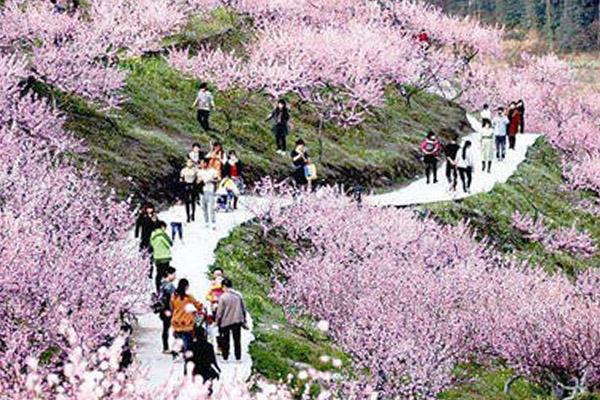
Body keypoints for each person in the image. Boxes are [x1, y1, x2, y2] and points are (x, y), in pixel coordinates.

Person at [171, 279, 205, 358]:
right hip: (187, 321)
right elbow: (198, 306)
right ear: (186, 286)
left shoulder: (174, 296)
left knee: (178, 338)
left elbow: (172, 306)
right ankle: (186, 354)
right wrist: (201, 307)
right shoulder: (188, 297)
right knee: (187, 339)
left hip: (176, 320)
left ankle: (176, 354)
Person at [216, 278, 247, 362]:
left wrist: (217, 321)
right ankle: (238, 358)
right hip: (237, 321)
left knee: (225, 340)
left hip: (225, 321)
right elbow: (243, 309)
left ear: (224, 286)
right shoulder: (238, 296)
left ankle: (225, 358)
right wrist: (244, 320)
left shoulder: (223, 297)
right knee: (237, 340)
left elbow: (219, 312)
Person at [158, 267, 177, 354]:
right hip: (168, 310)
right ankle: (169, 347)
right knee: (170, 328)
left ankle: (166, 347)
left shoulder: (162, 284)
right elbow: (169, 299)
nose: (175, 276)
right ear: (169, 274)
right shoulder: (169, 286)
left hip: (164, 310)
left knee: (166, 329)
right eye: (173, 274)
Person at [150, 221, 173, 292]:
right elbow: (169, 244)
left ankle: (158, 289)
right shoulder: (162, 235)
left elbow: (151, 244)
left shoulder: (152, 235)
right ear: (162, 226)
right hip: (165, 257)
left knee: (159, 274)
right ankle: (165, 290)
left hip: (157, 257)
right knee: (166, 274)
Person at [197, 158, 219, 229]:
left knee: (211, 207)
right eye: (200, 163)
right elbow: (197, 181)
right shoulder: (200, 171)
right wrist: (199, 181)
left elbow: (217, 179)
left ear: (206, 163)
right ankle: (206, 222)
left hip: (210, 190)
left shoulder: (212, 171)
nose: (201, 164)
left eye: (202, 163)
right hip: (202, 190)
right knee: (204, 207)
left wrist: (210, 180)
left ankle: (213, 222)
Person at [180, 159, 199, 223]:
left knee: (193, 201)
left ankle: (193, 214)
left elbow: (197, 177)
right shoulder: (184, 170)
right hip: (186, 185)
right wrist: (182, 181)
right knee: (186, 201)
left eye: (191, 162)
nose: (189, 163)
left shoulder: (195, 170)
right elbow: (181, 178)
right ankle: (187, 216)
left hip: (193, 185)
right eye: (188, 162)